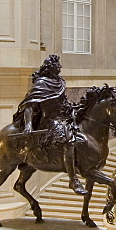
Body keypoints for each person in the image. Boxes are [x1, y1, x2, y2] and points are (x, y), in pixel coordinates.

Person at [12, 55, 86, 195]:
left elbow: (63, 102)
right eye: (57, 65)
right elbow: (29, 106)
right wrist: (28, 125)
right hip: (49, 120)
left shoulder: (59, 81)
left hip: (64, 116)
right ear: (50, 67)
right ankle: (73, 180)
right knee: (69, 142)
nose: (60, 67)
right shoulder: (41, 83)